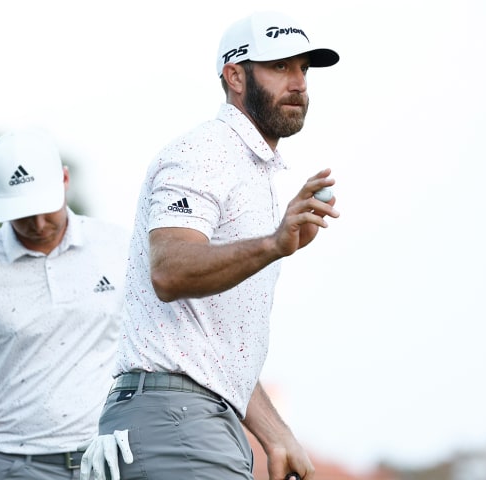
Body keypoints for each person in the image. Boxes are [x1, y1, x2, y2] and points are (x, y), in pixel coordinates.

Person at [85, 11, 340, 480]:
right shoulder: (204, 152)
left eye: (304, 68)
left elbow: (210, 350)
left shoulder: (252, 168)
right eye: (280, 67)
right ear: (235, 76)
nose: (299, 82)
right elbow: (169, 270)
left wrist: (276, 433)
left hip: (188, 421)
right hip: (175, 423)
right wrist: (272, 244)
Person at [0, 128, 132, 480]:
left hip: (110, 461)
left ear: (64, 179)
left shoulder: (117, 247)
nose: (37, 224)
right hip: (18, 467)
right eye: (23, 213)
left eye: (45, 209)